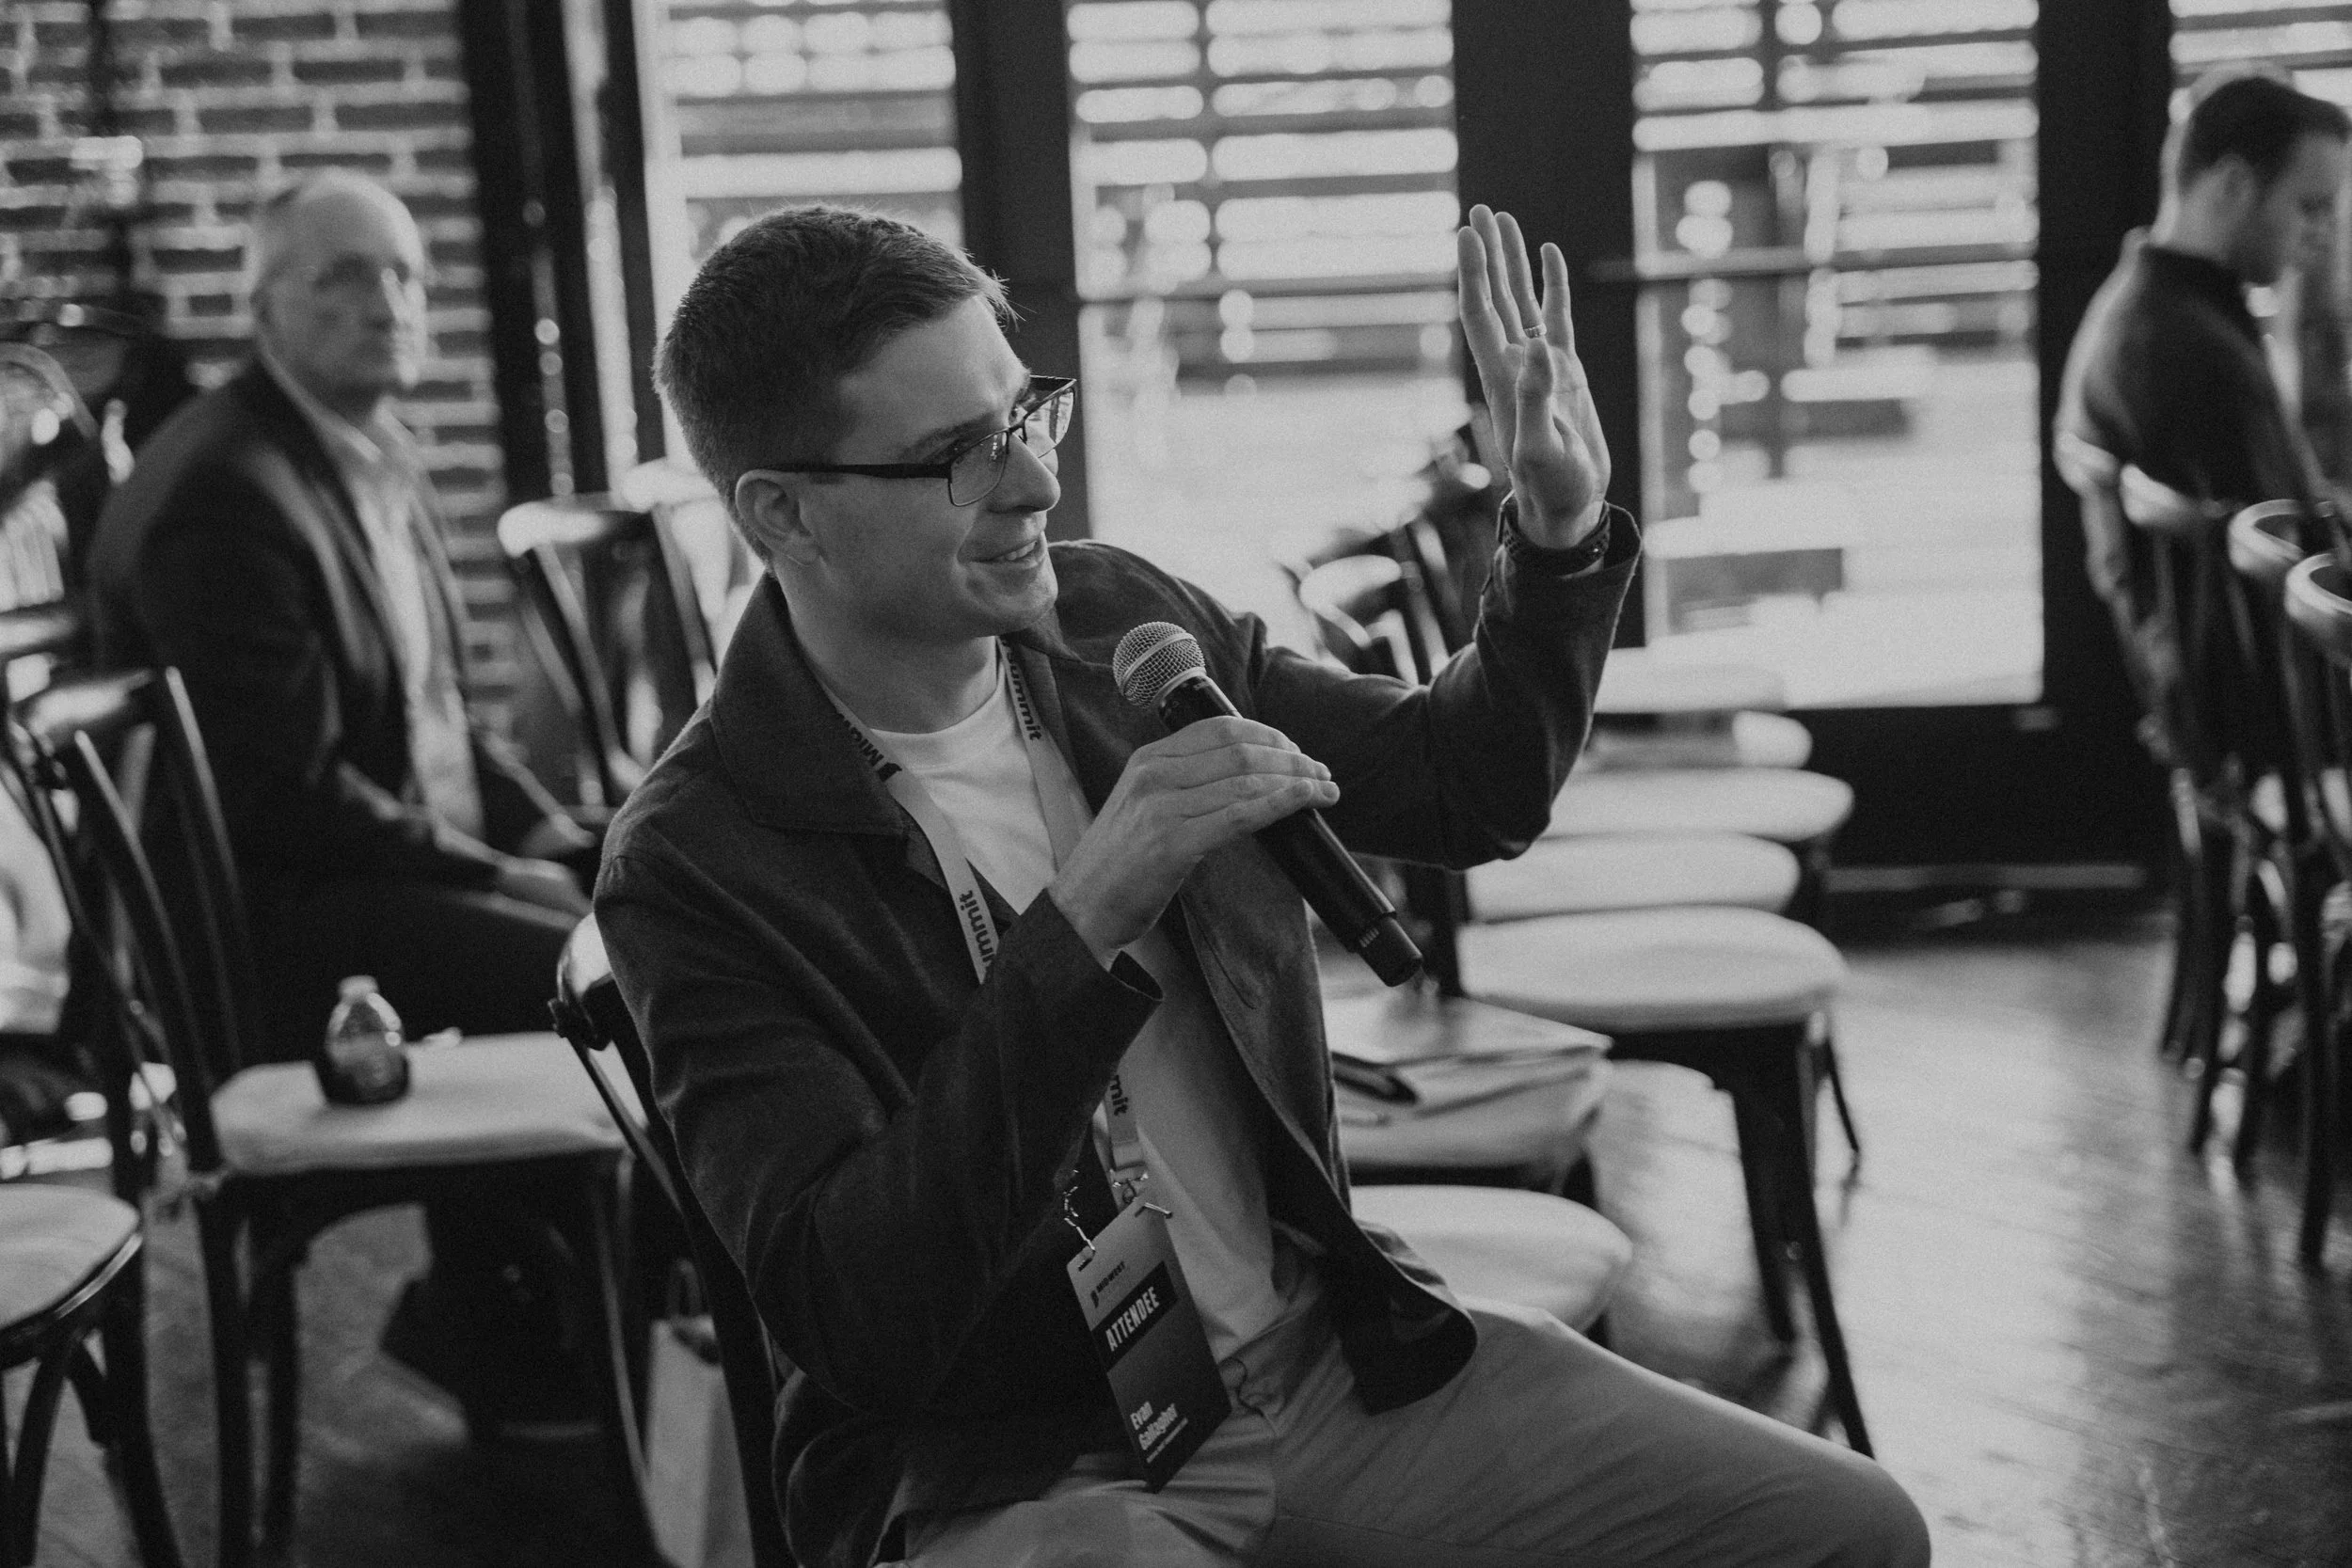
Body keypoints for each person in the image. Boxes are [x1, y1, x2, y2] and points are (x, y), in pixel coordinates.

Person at [597, 202, 1930, 1567]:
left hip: (1309, 1359)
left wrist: (1558, 528)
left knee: (1846, 1528)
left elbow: (1459, 783)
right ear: (782, 512)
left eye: (1027, 413)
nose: (1034, 486)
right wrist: (1084, 919)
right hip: (1012, 1460)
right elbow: (858, 1315)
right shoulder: (701, 861)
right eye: (956, 455)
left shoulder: (1115, 619)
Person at [87, 169, 600, 1431]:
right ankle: (526, 1329)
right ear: (265, 308)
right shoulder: (226, 493)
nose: (390, 303)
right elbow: (288, 796)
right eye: (346, 276)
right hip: (275, 935)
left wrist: (547, 830)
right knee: (608, 972)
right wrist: (497, 876)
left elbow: (433, 722)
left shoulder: (363, 451)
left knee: (628, 891)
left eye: (407, 274)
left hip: (364, 877)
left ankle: (530, 1310)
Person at [2056, 70, 2350, 757]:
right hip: (2287, 725)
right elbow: (2297, 559)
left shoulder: (2147, 309)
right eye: (2310, 207)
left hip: (2226, 709)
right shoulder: (2184, 348)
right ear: (2232, 187)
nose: (2324, 236)